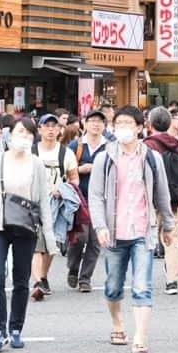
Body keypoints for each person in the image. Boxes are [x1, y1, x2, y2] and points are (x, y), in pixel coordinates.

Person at [88, 106, 175, 353]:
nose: (123, 128)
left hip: (142, 231)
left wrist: (167, 226)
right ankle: (117, 324)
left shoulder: (151, 158)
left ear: (140, 127)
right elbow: (95, 196)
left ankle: (140, 337)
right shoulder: (105, 158)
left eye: (128, 123)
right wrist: (100, 226)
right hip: (114, 232)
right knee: (113, 286)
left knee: (142, 286)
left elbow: (162, 195)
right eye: (119, 123)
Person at [0, 118, 56, 352]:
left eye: (28, 134)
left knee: (21, 280)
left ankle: (16, 328)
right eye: (20, 132)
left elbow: (42, 203)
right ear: (10, 135)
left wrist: (49, 238)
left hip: (25, 227)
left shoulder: (36, 164)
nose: (23, 137)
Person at [29, 113, 78, 296]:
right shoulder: (31, 151)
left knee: (51, 244)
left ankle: (43, 276)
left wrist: (62, 190)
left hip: (56, 204)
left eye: (54, 126)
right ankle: (38, 281)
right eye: (46, 125)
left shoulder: (66, 153)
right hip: (33, 203)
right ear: (39, 129)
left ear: (60, 130)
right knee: (35, 242)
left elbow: (74, 179)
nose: (50, 129)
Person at [144, 108, 178, 296]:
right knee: (172, 239)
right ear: (170, 124)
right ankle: (172, 281)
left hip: (151, 200)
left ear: (149, 124)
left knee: (145, 238)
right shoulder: (177, 145)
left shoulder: (148, 146)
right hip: (174, 200)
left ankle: (143, 279)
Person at [66, 109, 107, 293]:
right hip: (78, 198)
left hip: (101, 198)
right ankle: (73, 267)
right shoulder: (76, 146)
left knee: (95, 241)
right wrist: (81, 169)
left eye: (100, 121)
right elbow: (66, 169)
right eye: (92, 121)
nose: (96, 124)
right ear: (85, 123)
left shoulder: (109, 146)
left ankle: (85, 278)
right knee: (79, 237)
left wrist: (97, 169)